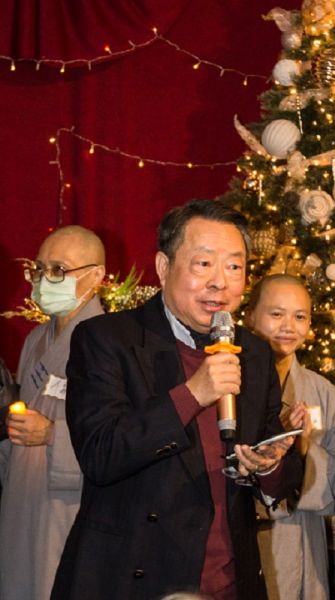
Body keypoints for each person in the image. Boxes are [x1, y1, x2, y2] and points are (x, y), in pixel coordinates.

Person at [52, 200, 304, 600]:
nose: (220, 282)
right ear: (163, 267)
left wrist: (271, 463)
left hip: (227, 582)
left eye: (234, 267)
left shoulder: (253, 353)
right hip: (131, 580)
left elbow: (280, 479)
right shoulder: (108, 340)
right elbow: (101, 454)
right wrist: (192, 394)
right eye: (204, 264)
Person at [0, 225, 106, 600]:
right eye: (40, 269)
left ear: (97, 276)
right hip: (23, 499)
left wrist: (51, 434)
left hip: (68, 505)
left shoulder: (109, 343)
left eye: (60, 270)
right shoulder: (36, 339)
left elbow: (120, 437)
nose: (46, 280)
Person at [245, 274, 335, 600]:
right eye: (276, 314)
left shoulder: (322, 392)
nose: (288, 326)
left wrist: (302, 451)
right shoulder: (228, 381)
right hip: (242, 533)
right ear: (249, 316)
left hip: (299, 538)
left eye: (300, 316)